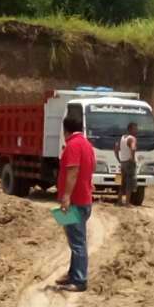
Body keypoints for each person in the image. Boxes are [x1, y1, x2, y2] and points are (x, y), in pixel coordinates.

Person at [56, 116, 96, 292]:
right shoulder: (86, 144)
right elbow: (92, 167)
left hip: (75, 201)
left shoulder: (72, 145)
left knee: (77, 242)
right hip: (84, 198)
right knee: (74, 239)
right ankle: (73, 273)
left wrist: (66, 196)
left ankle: (79, 280)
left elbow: (72, 171)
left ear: (66, 130)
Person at [114, 121, 138, 206]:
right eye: (135, 129)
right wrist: (132, 158)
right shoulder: (132, 138)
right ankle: (127, 203)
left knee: (122, 183)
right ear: (130, 129)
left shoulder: (122, 137)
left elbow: (116, 148)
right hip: (129, 163)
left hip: (123, 163)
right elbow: (133, 147)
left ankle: (119, 201)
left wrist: (118, 159)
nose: (137, 131)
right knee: (129, 183)